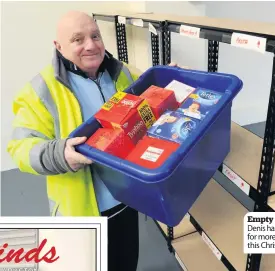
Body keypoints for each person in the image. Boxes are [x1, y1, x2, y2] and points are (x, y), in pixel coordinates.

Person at [7, 10, 182, 271]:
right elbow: (19, 147)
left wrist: (167, 77)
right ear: (59, 46)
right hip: (81, 214)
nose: (91, 45)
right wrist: (60, 154)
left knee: (125, 264)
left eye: (95, 36)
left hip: (125, 201)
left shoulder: (120, 72)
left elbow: (147, 89)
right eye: (78, 39)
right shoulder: (39, 90)